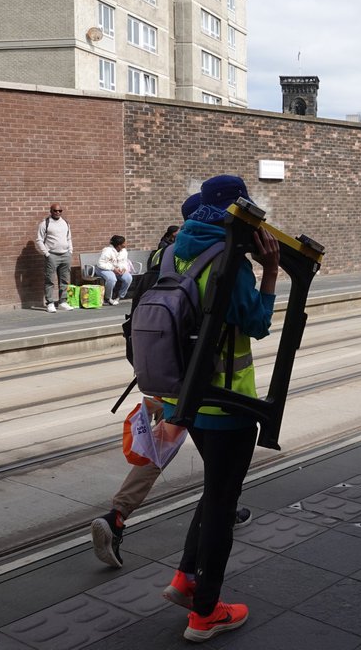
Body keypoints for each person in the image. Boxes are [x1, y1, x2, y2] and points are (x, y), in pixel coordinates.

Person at [90, 191, 250, 575]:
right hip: (199, 381)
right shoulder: (212, 257)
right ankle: (220, 515)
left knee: (163, 448)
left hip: (158, 374)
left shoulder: (163, 258)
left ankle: (117, 515)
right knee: (222, 467)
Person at [159, 175, 279, 643]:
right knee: (224, 502)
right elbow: (258, 322)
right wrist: (269, 271)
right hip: (229, 405)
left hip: (183, 398)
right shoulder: (230, 262)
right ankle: (205, 613)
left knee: (215, 491)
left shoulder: (174, 250)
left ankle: (186, 580)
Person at [37, 203, 73, 312]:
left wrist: (70, 250)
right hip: (52, 255)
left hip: (65, 254)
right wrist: (46, 253)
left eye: (60, 211)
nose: (58, 212)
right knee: (50, 280)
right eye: (55, 211)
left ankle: (62, 302)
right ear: (51, 211)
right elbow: (39, 240)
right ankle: (50, 303)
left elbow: (69, 237)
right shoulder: (45, 223)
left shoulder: (65, 223)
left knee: (65, 280)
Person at [97, 235, 133, 306]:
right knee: (112, 279)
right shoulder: (107, 251)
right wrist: (113, 269)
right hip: (104, 269)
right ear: (119, 245)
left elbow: (124, 262)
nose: (125, 245)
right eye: (124, 243)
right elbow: (100, 263)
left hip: (117, 269)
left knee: (128, 278)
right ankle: (108, 298)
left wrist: (123, 268)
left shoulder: (124, 251)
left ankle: (119, 297)